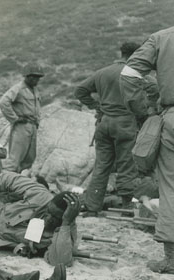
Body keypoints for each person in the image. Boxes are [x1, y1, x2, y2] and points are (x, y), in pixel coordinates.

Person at [120, 25, 174, 274]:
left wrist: (142, 111)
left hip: (173, 118)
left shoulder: (163, 38)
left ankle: (173, 259)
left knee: (172, 187)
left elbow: (130, 74)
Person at [74, 42, 145, 215]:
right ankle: (127, 206)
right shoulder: (135, 73)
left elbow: (80, 90)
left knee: (101, 166)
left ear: (121, 53)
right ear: (135, 55)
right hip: (125, 123)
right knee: (126, 165)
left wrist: (96, 105)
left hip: (104, 122)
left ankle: (92, 207)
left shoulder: (102, 72)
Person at [0, 64, 44, 173]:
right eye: (33, 76)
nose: (36, 79)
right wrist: (15, 118)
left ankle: (16, 183)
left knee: (29, 159)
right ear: (27, 76)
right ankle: (2, 183)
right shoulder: (18, 88)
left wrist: (37, 122)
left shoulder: (35, 90)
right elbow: (4, 102)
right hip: (21, 127)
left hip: (33, 127)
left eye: (38, 77)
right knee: (14, 160)